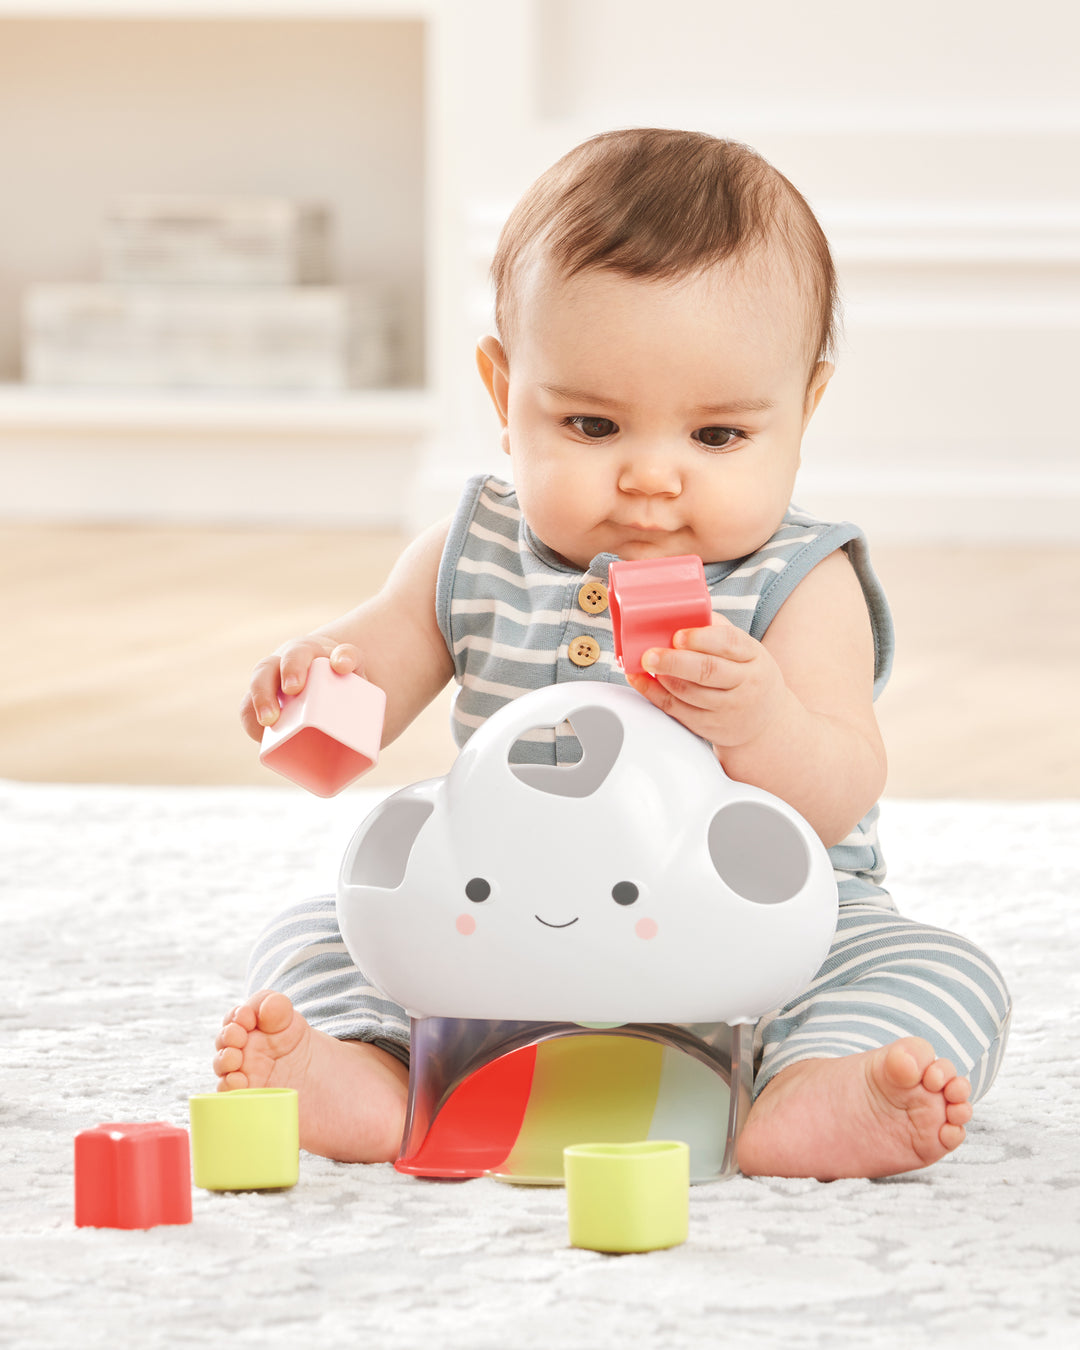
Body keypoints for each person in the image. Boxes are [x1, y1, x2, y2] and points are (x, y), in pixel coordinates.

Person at [213, 129, 1011, 1180]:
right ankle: (365, 1069)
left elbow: (838, 791)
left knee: (938, 968)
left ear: (803, 411)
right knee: (319, 930)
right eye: (593, 425)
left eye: (716, 438)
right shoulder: (472, 550)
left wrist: (762, 719)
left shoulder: (799, 578)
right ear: (504, 395)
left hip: (751, 936)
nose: (650, 479)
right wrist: (318, 675)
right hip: (495, 920)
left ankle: (814, 1084)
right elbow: (371, 678)